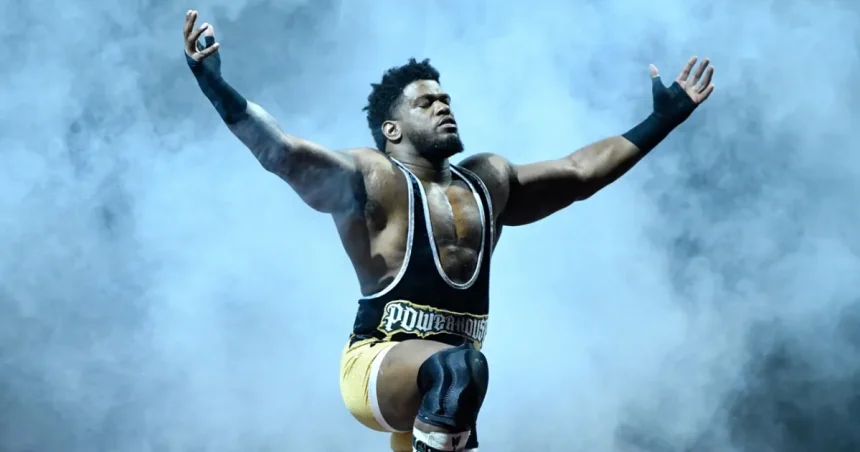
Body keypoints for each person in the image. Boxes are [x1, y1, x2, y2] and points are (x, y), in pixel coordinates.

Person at [182, 9, 716, 452]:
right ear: (392, 129)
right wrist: (216, 87)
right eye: (426, 103)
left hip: (447, 397)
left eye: (445, 100)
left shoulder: (488, 180)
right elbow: (282, 152)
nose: (443, 107)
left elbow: (579, 174)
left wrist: (660, 122)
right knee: (460, 367)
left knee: (460, 375)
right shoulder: (374, 178)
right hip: (378, 367)